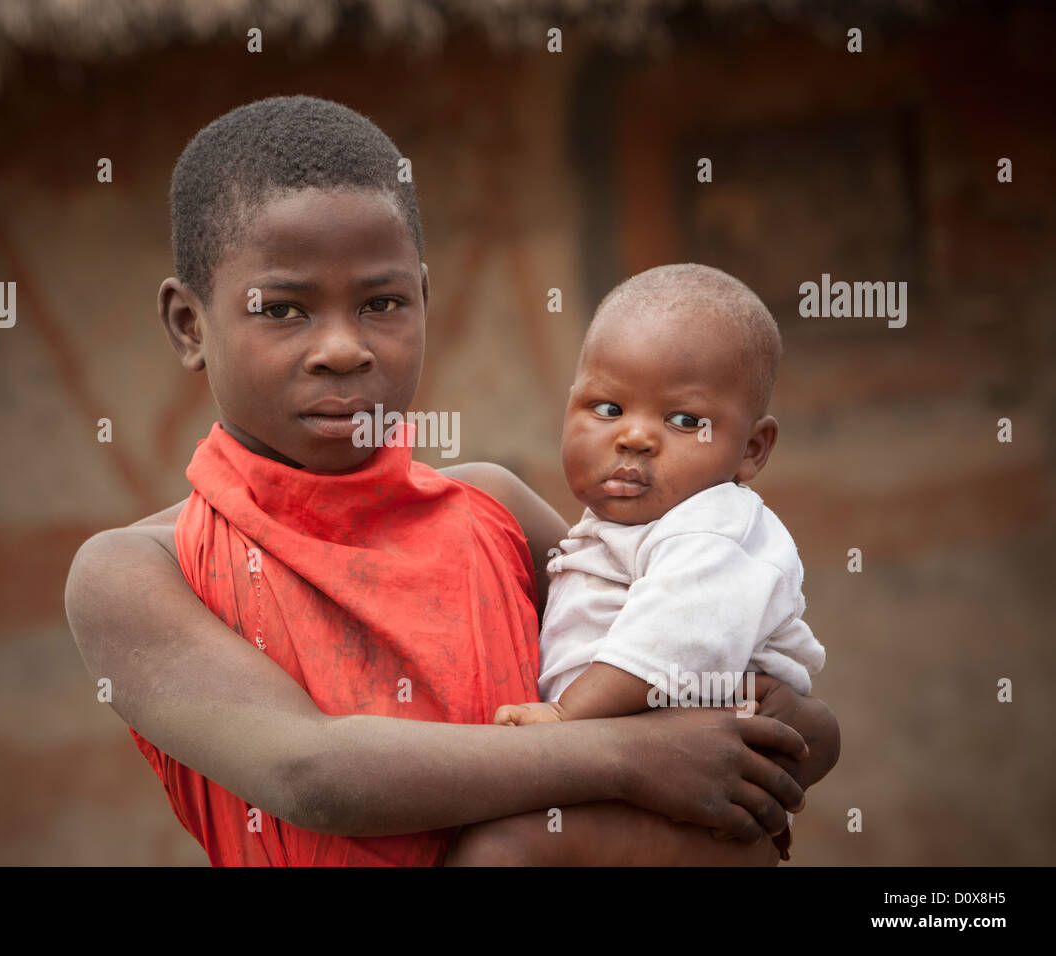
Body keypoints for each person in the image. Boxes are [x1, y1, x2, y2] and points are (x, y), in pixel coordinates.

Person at [63, 95, 840, 867]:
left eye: (382, 303)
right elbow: (311, 774)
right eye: (284, 310)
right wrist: (630, 757)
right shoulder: (141, 571)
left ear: (424, 299)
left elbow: (753, 691)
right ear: (189, 325)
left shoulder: (490, 510)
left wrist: (775, 725)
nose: (342, 348)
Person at [449, 264, 826, 864]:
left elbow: (671, 643)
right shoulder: (612, 532)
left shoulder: (716, 525)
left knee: (500, 849)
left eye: (683, 421)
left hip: (694, 800)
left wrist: (566, 718)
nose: (635, 437)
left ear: (751, 449)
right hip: (637, 783)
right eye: (607, 408)